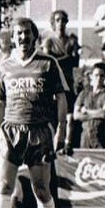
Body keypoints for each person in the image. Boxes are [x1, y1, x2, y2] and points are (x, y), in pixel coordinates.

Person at [0, 17, 69, 208]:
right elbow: (0, 102)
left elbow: (61, 98)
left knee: (41, 188)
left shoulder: (48, 64)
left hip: (39, 131)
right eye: (18, 34)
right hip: (11, 130)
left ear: (34, 36)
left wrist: (61, 130)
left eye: (27, 33)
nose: (23, 37)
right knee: (4, 186)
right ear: (12, 38)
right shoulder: (5, 66)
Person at [42, 9, 79, 152]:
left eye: (64, 20)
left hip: (67, 84)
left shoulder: (71, 40)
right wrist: (66, 58)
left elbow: (75, 61)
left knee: (68, 117)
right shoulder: (49, 41)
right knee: (52, 117)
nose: (61, 23)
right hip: (52, 85)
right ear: (53, 23)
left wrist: (60, 58)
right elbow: (48, 61)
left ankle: (66, 144)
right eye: (58, 20)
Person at [73, 62, 105, 149]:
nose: (98, 78)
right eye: (96, 75)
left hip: (100, 136)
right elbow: (76, 115)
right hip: (85, 136)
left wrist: (86, 111)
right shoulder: (84, 93)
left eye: (101, 75)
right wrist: (96, 113)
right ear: (91, 76)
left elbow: (104, 114)